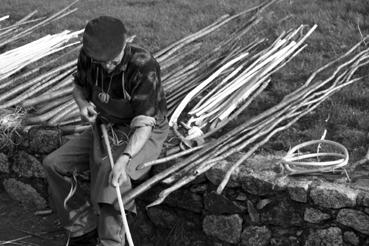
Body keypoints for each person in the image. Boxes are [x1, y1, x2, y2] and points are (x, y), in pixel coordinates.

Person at [43, 16, 169, 246]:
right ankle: (83, 228)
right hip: (105, 124)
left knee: (112, 177)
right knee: (54, 164)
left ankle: (111, 242)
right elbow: (79, 87)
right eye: (101, 61)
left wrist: (125, 159)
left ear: (124, 44)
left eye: (112, 60)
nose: (107, 66)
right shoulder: (89, 56)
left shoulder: (144, 67)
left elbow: (143, 125)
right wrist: (82, 105)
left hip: (144, 129)